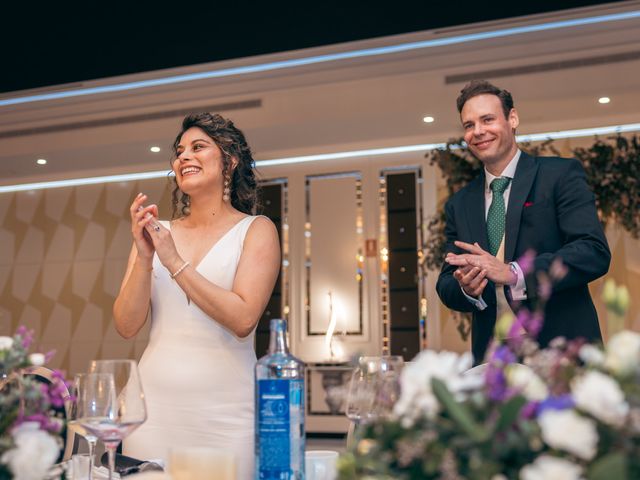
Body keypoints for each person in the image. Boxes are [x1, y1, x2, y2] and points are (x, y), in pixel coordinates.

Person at [113, 112, 280, 480]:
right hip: (151, 414)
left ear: (230, 161)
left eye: (198, 147)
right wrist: (145, 256)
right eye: (179, 151)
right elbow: (126, 325)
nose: (183, 156)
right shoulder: (157, 234)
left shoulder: (256, 230)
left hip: (226, 417)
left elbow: (242, 319)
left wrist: (172, 260)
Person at [436, 80, 610, 364]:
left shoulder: (559, 175)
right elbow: (446, 283)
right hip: (493, 364)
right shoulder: (460, 204)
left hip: (562, 354)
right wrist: (467, 289)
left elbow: (593, 251)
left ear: (512, 118)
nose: (478, 131)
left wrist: (514, 273)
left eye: (487, 119)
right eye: (469, 125)